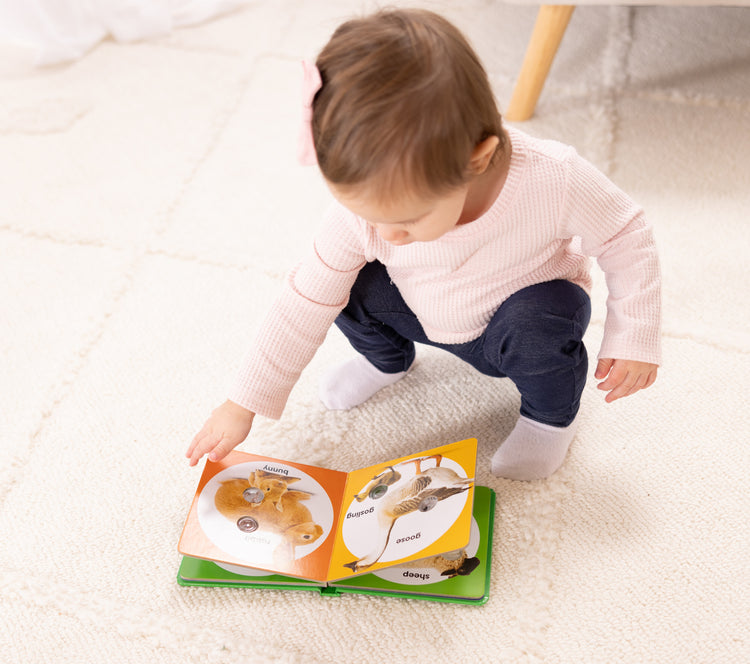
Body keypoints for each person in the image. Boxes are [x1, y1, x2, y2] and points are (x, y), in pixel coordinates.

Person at [186, 8, 660, 480]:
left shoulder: (553, 178)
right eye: (370, 215)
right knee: (341, 284)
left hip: (516, 315)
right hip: (422, 306)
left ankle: (549, 420)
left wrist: (633, 332)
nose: (386, 234)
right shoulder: (367, 218)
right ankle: (387, 360)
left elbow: (627, 234)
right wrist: (242, 402)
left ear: (479, 159)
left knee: (539, 329)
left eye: (407, 220)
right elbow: (303, 300)